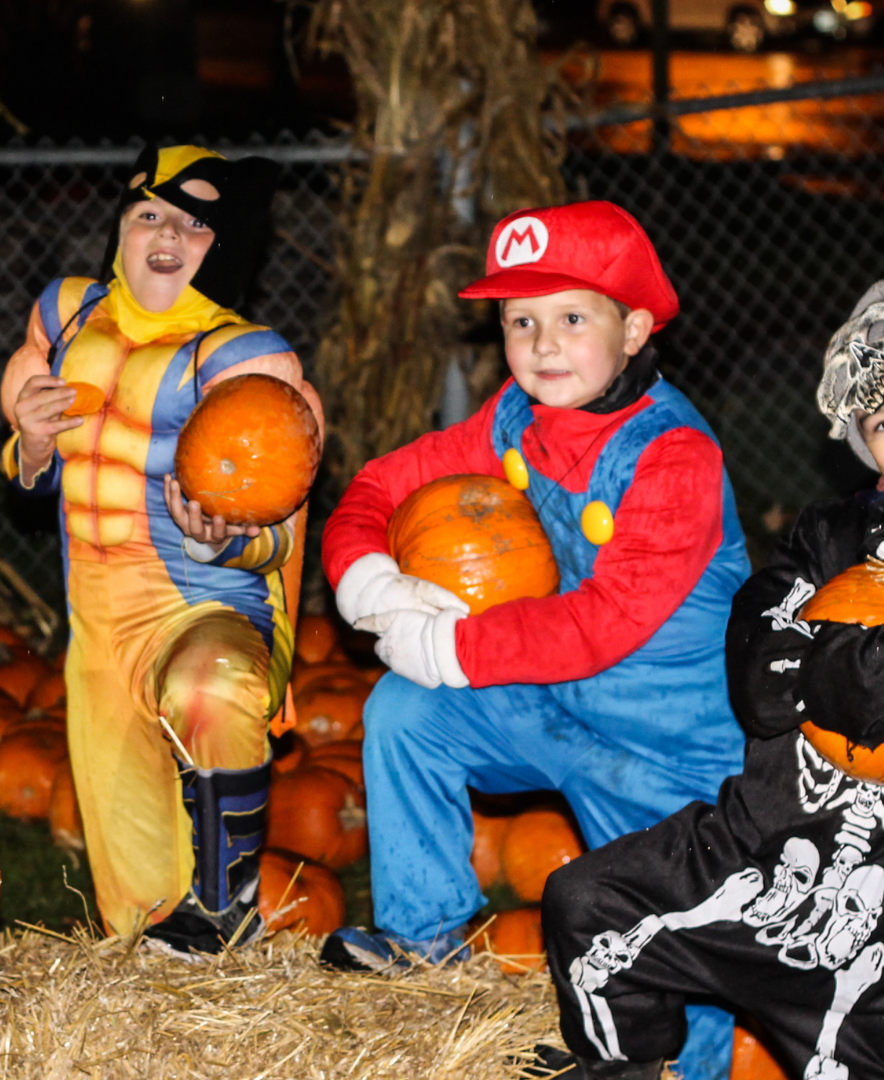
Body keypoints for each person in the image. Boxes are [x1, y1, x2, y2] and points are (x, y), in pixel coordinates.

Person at [537, 281, 884, 1080]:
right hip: (754, 855)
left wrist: (854, 663)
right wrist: (789, 659)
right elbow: (761, 638)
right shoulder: (835, 531)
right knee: (587, 907)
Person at [318, 201, 746, 1078]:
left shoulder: (674, 458)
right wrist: (364, 576)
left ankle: (682, 1070)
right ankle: (423, 938)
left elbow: (602, 625)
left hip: (667, 748)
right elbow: (382, 483)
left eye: (572, 318)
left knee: (664, 953)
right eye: (521, 322)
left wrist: (450, 645)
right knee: (407, 713)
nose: (544, 344)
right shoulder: (517, 415)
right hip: (552, 702)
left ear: (633, 329)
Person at [0, 145, 325, 954]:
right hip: (96, 622)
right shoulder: (66, 317)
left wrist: (234, 536)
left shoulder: (244, 357)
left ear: (225, 246)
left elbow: (283, 520)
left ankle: (228, 905)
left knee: (210, 689)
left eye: (194, 224)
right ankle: (173, 974)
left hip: (202, 602)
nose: (166, 233)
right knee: (135, 913)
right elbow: (24, 466)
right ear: (120, 227)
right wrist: (32, 446)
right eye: (149, 213)